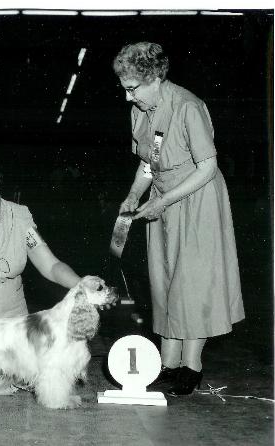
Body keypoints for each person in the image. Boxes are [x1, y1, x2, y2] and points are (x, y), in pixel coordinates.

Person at [113, 42, 245, 396]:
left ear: (154, 78)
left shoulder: (188, 106)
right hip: (161, 198)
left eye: (132, 88)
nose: (128, 96)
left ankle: (191, 366)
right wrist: (134, 194)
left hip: (197, 198)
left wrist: (164, 200)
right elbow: (149, 161)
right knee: (164, 281)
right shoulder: (141, 110)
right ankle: (168, 364)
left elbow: (208, 167)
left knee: (191, 283)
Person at [0, 163, 107, 395]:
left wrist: (82, 286)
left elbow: (51, 266)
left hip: (16, 322)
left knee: (31, 373)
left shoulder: (20, 215)